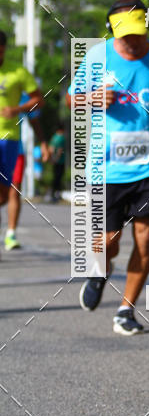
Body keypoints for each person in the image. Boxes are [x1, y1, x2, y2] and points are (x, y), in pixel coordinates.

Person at [68, 0, 149, 335]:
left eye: (138, 33)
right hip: (106, 168)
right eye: (124, 34)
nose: (131, 41)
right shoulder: (97, 56)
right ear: (112, 31)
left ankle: (126, 311)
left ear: (147, 27)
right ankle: (99, 272)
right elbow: (71, 99)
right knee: (108, 242)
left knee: (146, 240)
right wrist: (92, 98)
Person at [0, 30, 45, 256]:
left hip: (9, 139)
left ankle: (10, 232)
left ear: (4, 48)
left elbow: (39, 101)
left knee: (8, 192)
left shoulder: (18, 72)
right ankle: (8, 233)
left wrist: (16, 109)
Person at [5, 94, 49, 250]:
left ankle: (11, 233)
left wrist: (43, 144)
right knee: (2, 196)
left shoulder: (22, 96)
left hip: (16, 150)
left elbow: (34, 120)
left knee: (14, 190)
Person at [49, 122, 66, 202]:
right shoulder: (61, 138)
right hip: (60, 161)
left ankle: (52, 193)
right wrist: (57, 159)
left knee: (54, 177)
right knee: (59, 178)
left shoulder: (54, 137)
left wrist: (52, 159)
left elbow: (51, 149)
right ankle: (56, 194)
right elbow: (60, 150)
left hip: (54, 160)